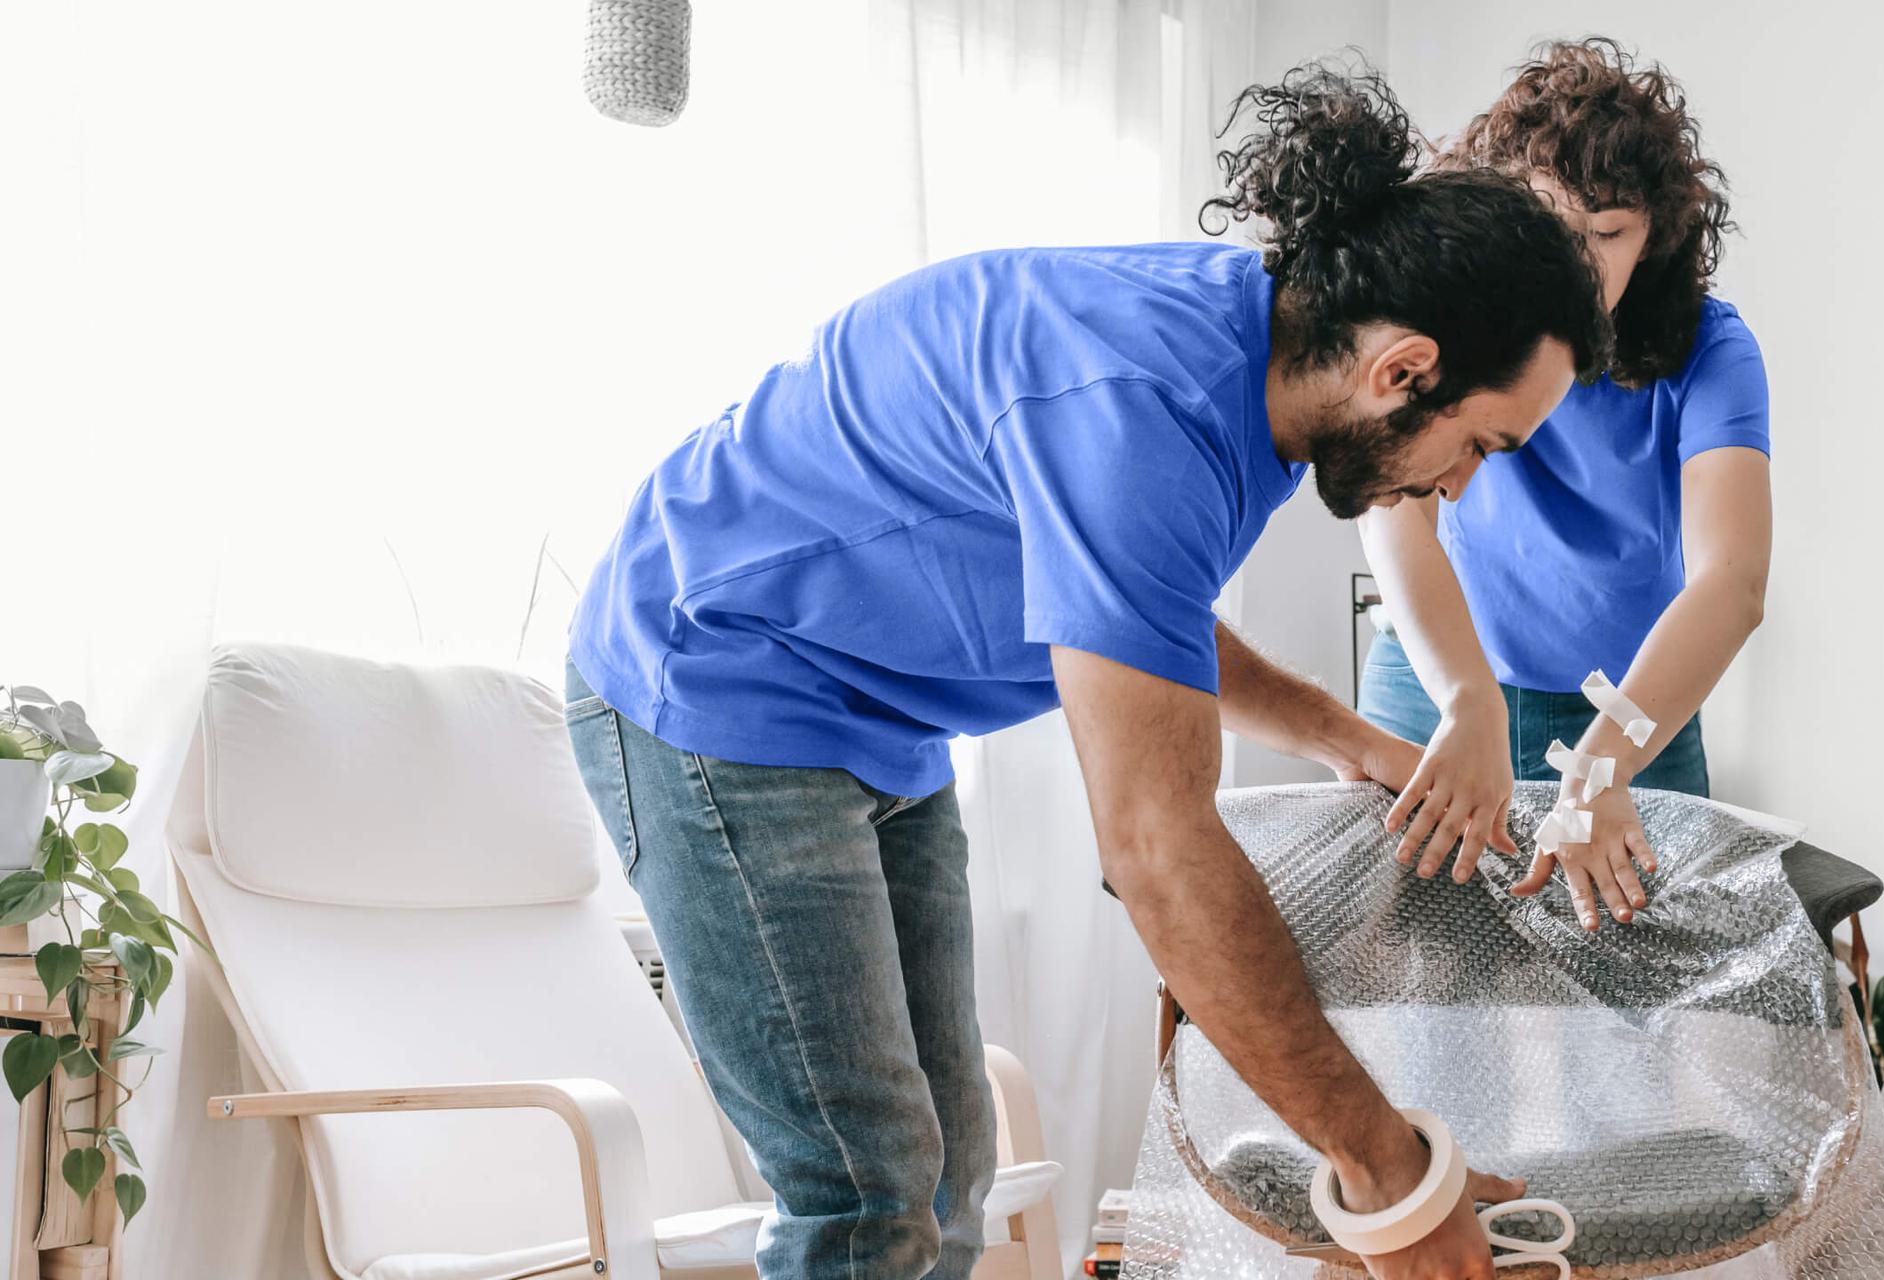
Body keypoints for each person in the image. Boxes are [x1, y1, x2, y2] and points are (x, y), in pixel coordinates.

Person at [561, 64, 1610, 1280]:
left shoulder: (1256, 359)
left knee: (948, 1170)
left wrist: (1338, 730)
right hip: (713, 684)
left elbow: (1131, 608)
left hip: (875, 714)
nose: (1463, 485)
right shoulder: (1141, 412)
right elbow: (1157, 853)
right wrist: (1389, 1175)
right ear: (1401, 369)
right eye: (1480, 443)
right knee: (864, 1191)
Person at [1356, 38, 1771, 933]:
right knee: (1411, 974)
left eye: (1610, 234)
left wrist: (1601, 768)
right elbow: (1397, 517)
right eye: (1553, 225)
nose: (1579, 263)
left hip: (1629, 706)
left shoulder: (1713, 353)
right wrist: (1465, 700)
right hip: (1442, 670)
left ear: (1655, 233)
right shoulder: (1450, 310)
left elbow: (1731, 583)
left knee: (1636, 979)